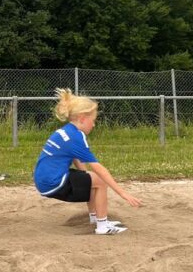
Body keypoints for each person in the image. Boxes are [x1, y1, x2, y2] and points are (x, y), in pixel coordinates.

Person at [33, 88, 142, 235]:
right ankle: (102, 226)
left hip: (43, 180)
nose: (94, 124)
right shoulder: (76, 136)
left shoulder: (66, 131)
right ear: (82, 118)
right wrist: (123, 193)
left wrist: (85, 177)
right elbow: (99, 169)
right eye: (93, 120)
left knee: (91, 179)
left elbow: (75, 157)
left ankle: (95, 219)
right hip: (53, 182)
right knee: (99, 180)